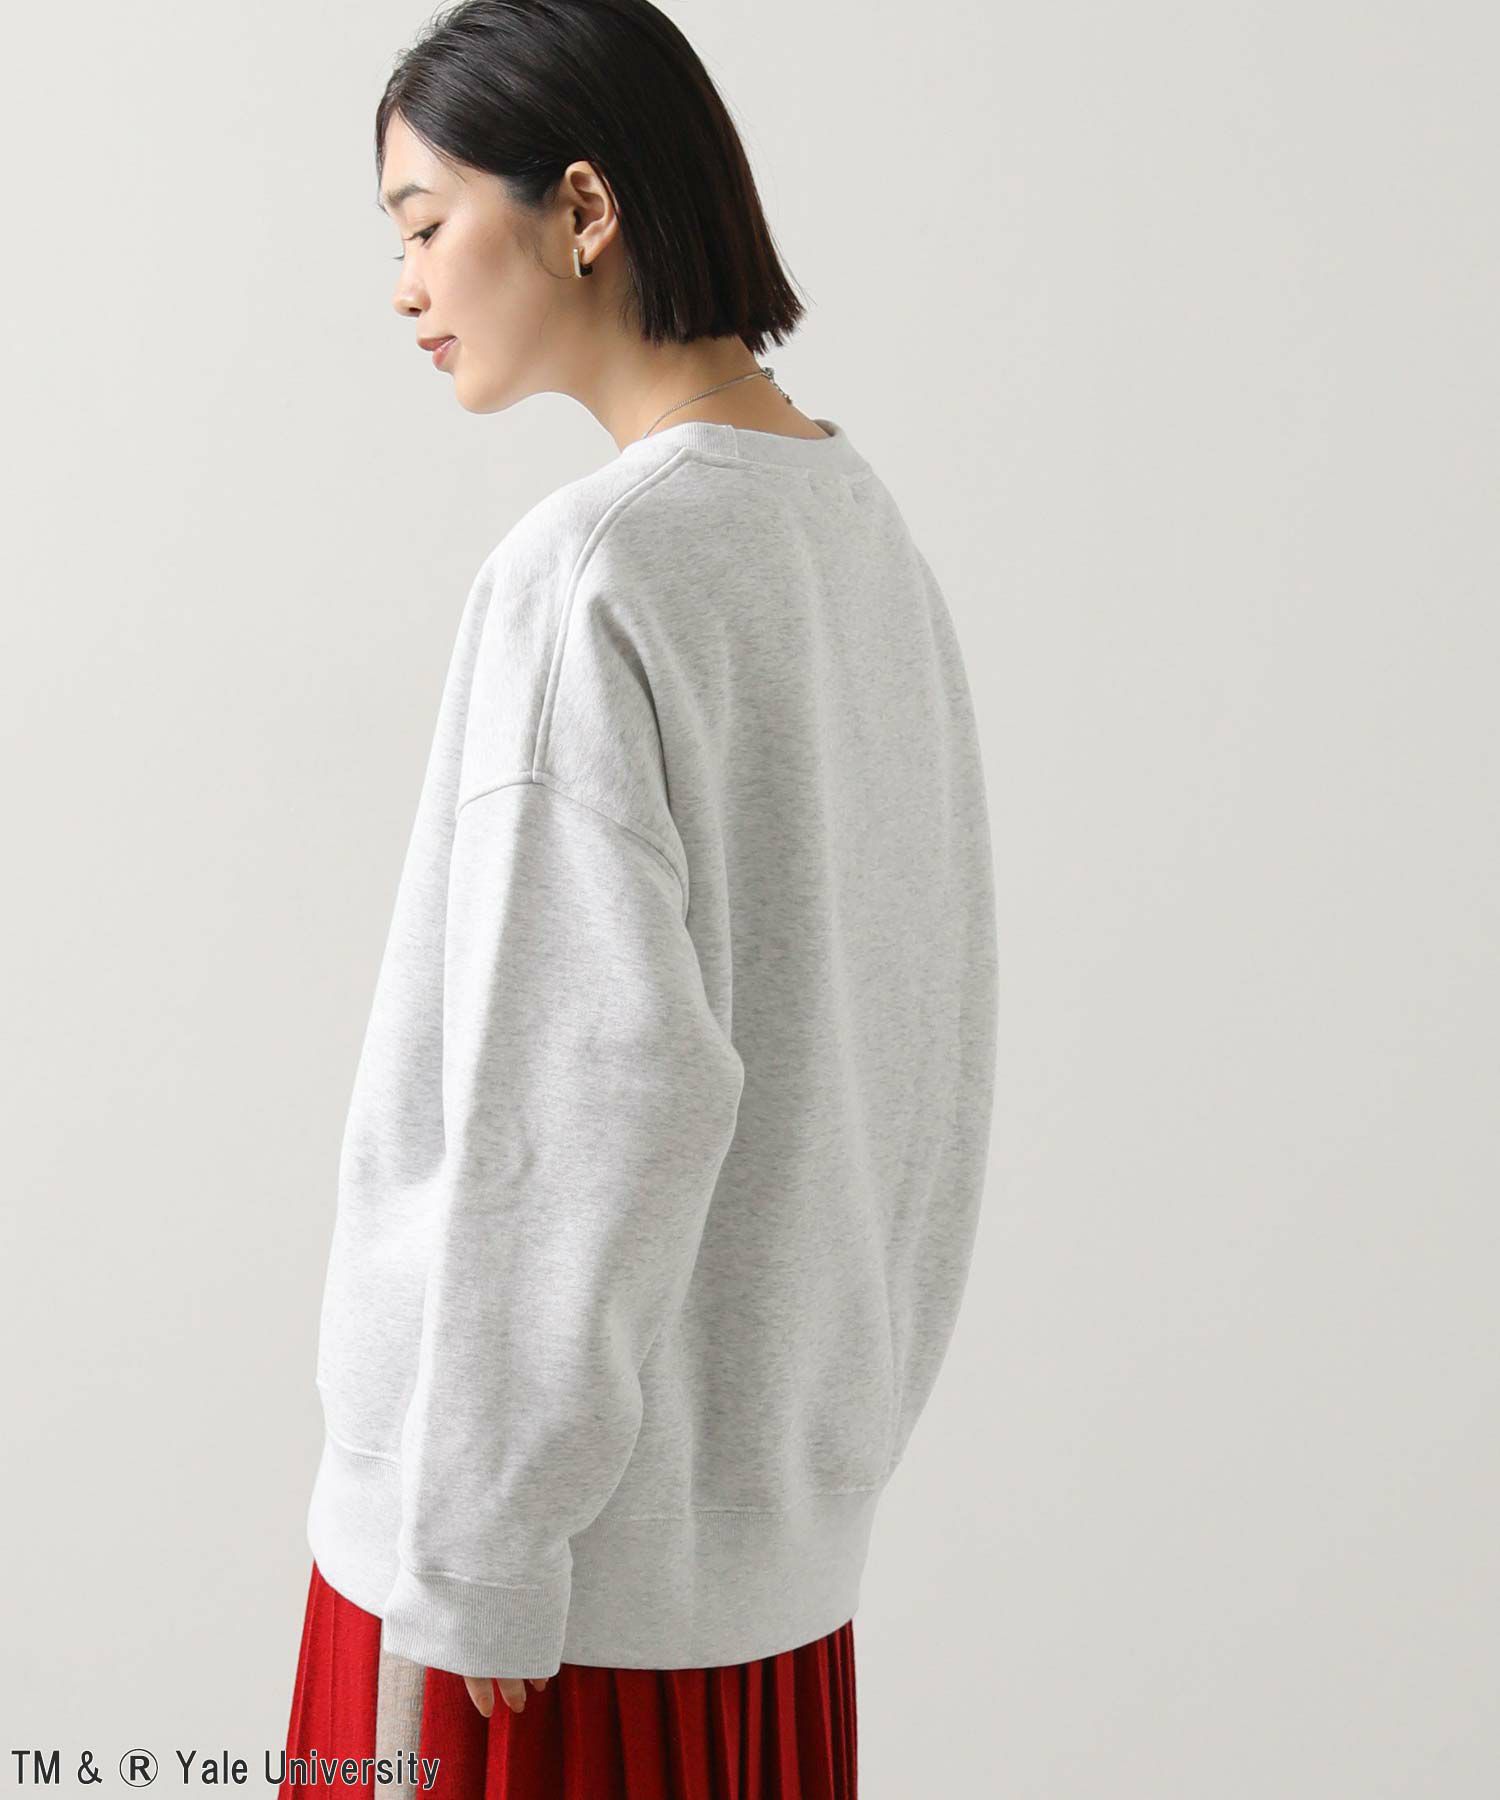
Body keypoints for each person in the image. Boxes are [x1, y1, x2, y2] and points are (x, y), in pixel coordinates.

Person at [282, 2, 998, 1794]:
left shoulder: (590, 575)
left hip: (535, 1618)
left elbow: (576, 1101)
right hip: (767, 1590)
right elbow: (934, 1046)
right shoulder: (862, 540)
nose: (404, 283)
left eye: (425, 221)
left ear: (585, 208)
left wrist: (481, 1545)